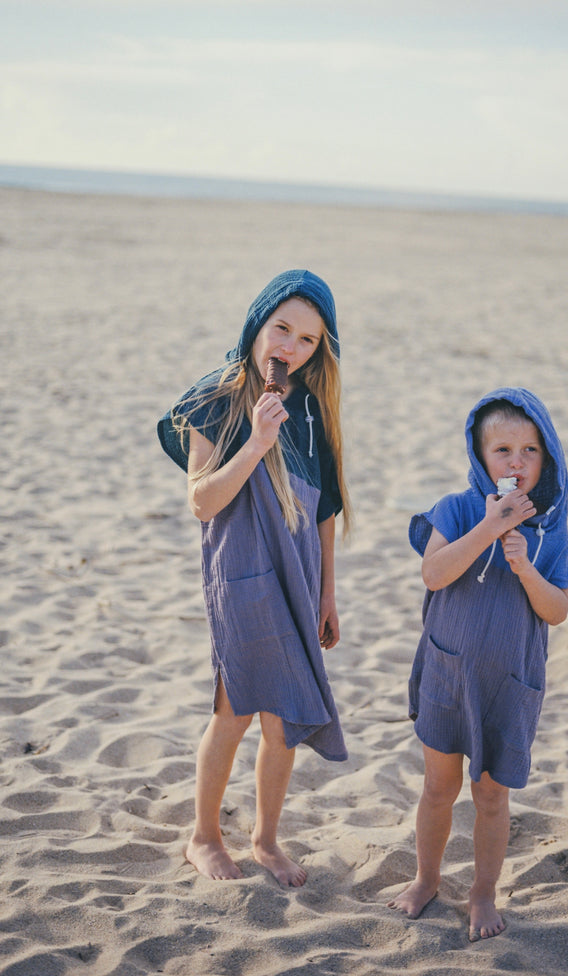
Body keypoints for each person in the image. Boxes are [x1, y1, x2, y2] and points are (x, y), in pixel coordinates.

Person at [157, 269, 351, 886]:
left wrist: (327, 591)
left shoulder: (315, 412)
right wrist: (256, 440)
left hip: (298, 575)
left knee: (283, 716)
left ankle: (266, 839)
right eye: (282, 329)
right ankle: (203, 836)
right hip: (240, 572)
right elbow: (201, 502)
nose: (290, 348)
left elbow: (323, 507)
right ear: (257, 325)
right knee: (234, 709)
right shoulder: (215, 400)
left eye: (307, 340)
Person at [388, 387, 568, 940]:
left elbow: (558, 609)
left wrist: (526, 570)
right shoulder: (459, 507)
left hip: (509, 682)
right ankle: (426, 879)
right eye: (502, 450)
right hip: (448, 671)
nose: (516, 462)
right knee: (439, 787)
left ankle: (483, 893)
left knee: (492, 794)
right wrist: (490, 527)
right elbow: (435, 572)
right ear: (479, 454)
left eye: (530, 451)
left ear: (548, 460)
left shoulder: (549, 528)